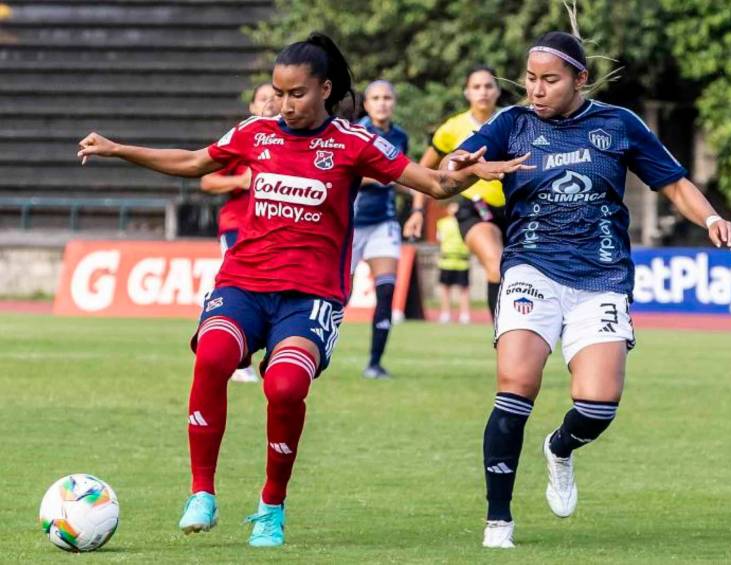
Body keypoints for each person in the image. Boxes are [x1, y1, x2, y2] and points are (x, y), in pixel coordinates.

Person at [77, 32, 530, 548]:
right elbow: (194, 162)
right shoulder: (256, 133)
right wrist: (118, 149)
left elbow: (433, 184)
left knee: (285, 387)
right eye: (279, 92)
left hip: (310, 298)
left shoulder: (354, 143)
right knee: (213, 354)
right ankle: (201, 491)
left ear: (325, 90)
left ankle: (271, 506)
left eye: (297, 94)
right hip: (243, 283)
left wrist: (468, 175)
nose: (285, 104)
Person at [442, 31, 731, 549]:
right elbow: (450, 168)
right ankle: (498, 523)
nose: (536, 89)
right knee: (516, 385)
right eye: (531, 78)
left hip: (601, 277)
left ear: (580, 79)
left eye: (550, 80)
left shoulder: (619, 125)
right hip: (530, 269)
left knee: (599, 404)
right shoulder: (511, 123)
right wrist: (465, 167)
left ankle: (559, 448)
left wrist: (712, 215)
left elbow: (671, 183)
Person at [404, 65, 507, 320]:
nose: (482, 92)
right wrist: (417, 211)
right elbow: (423, 171)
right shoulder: (452, 128)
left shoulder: (512, 120)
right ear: (467, 93)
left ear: (497, 91)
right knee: (496, 266)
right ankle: (502, 335)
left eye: (488, 86)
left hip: (518, 210)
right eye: (476, 87)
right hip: (476, 209)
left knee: (521, 274)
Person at [199, 83, 281, 383]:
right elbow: (207, 181)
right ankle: (235, 353)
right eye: (263, 98)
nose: (270, 102)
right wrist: (241, 181)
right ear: (251, 106)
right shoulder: (244, 136)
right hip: (238, 224)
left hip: (276, 230)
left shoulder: (294, 138)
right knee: (243, 286)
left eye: (276, 97)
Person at [351, 80, 408, 379]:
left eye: (387, 97)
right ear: (367, 103)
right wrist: (381, 176)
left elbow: (403, 175)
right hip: (350, 223)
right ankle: (317, 352)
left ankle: (374, 362)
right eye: (376, 97)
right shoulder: (355, 133)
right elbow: (349, 176)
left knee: (386, 291)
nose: (382, 102)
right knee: (338, 296)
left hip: (383, 223)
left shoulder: (400, 136)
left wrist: (418, 207)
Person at [436, 201, 471, 324]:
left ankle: (451, 314)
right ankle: (460, 314)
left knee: (454, 290)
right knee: (459, 290)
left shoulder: (442, 223)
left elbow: (439, 239)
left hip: (453, 260)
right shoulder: (465, 223)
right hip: (456, 260)